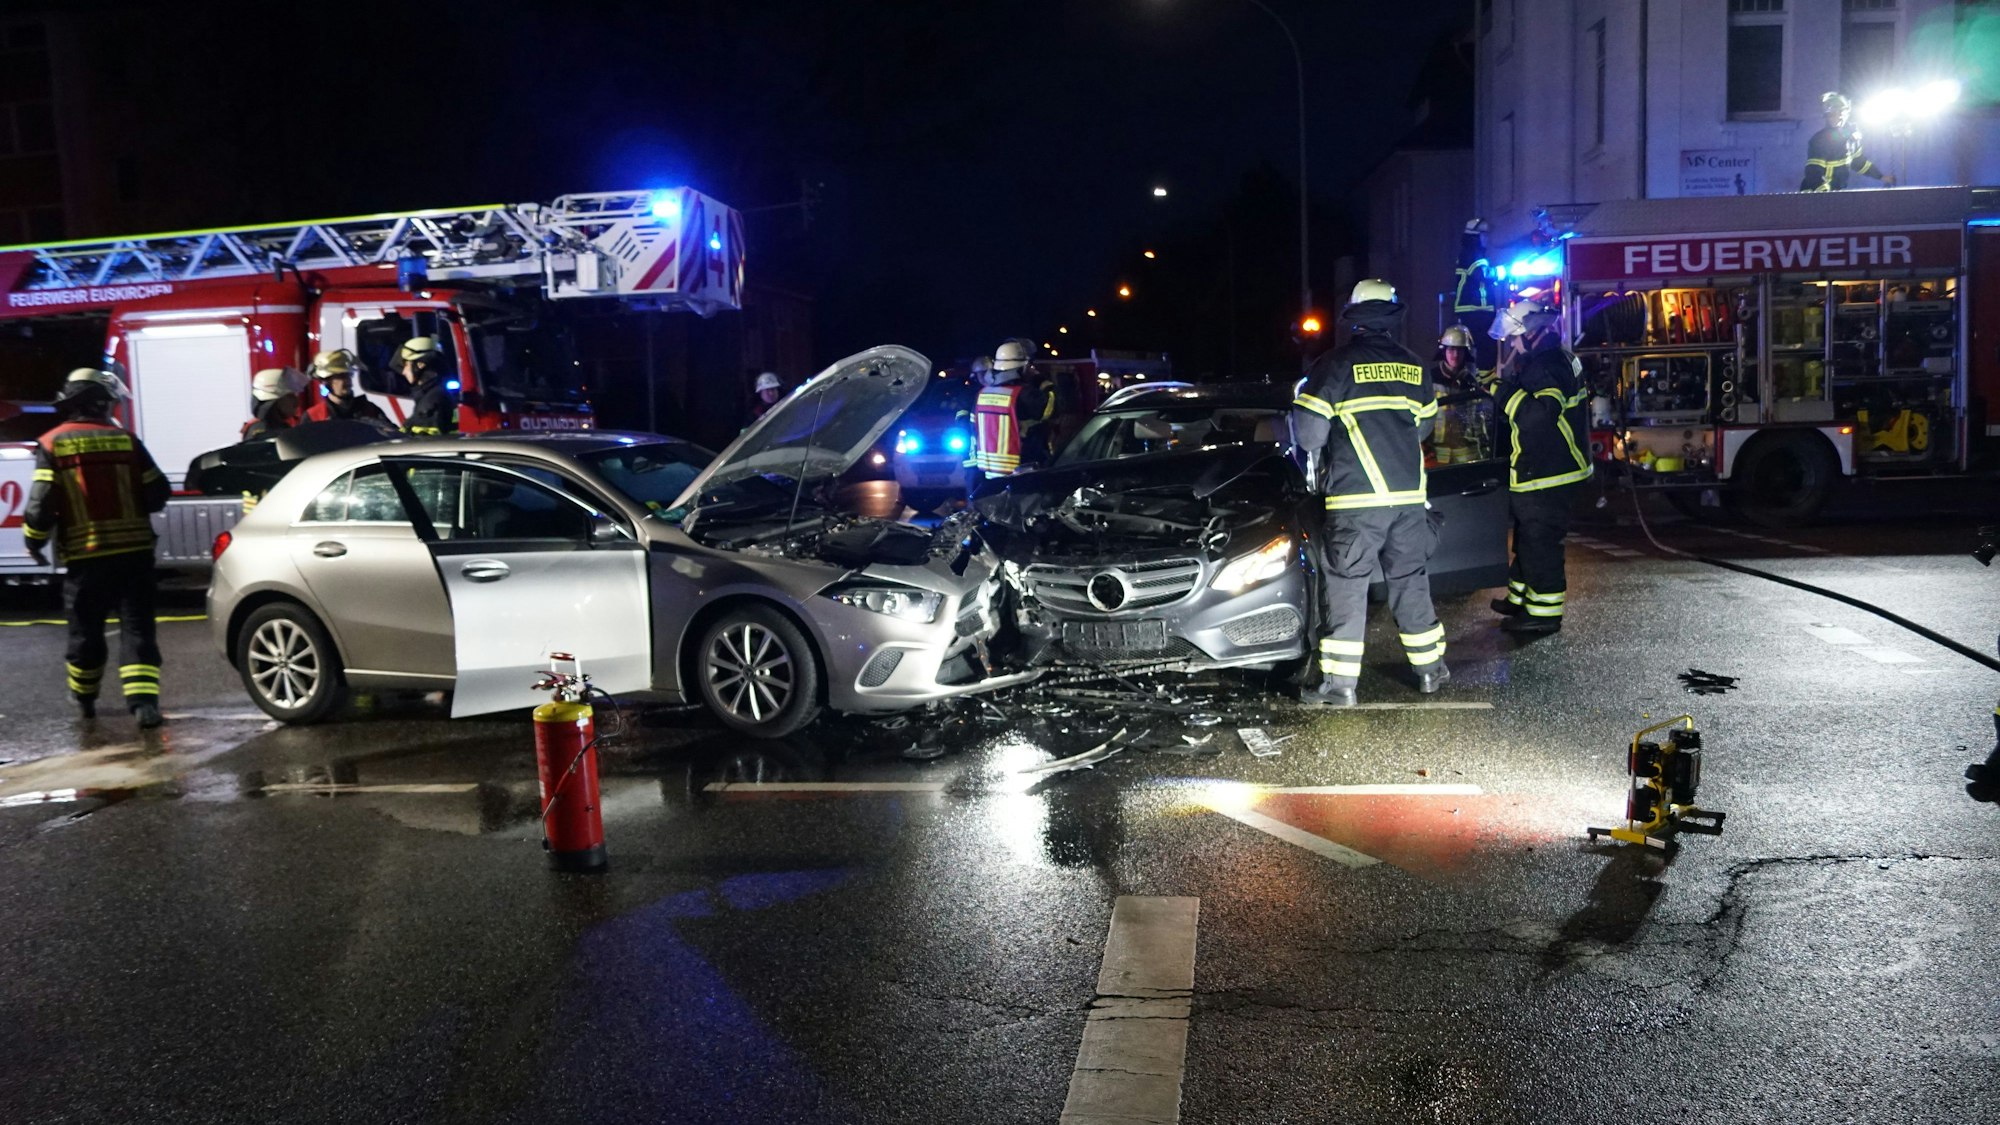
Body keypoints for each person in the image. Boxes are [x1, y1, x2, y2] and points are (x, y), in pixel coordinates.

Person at [1290, 279, 1449, 706]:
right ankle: (1431, 670)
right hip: (1409, 500)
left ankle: (1340, 686)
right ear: (1393, 317)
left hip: (1356, 502)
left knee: (1346, 585)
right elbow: (1423, 428)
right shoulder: (1416, 367)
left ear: (1354, 318)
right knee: (1410, 581)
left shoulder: (1335, 366)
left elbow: (1307, 436)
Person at [21, 367, 171, 728]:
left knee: (85, 632)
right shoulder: (128, 441)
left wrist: (34, 541)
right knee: (137, 629)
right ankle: (144, 706)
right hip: (134, 555)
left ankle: (86, 700)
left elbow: (40, 506)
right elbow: (158, 493)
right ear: (100, 402)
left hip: (86, 558)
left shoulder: (52, 443)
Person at [1488, 299, 1593, 634]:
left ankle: (1544, 615)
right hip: (1550, 469)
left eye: (1515, 338)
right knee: (1528, 538)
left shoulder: (1545, 366)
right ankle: (1521, 600)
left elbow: (1537, 416)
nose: (1512, 345)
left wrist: (1502, 393)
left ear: (1530, 334)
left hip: (1548, 472)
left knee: (1541, 543)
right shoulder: (1557, 357)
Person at [967, 340, 1053, 478]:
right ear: (1023, 368)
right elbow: (1052, 408)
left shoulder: (982, 394)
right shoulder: (1024, 394)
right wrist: (1041, 381)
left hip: (990, 473)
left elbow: (973, 428)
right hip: (1021, 470)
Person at [1801, 92, 1894, 192]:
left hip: (1835, 191)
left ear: (1845, 113)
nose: (1833, 117)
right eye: (1830, 115)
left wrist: (1881, 177)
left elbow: (1859, 163)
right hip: (1814, 193)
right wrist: (1823, 192)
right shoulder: (1820, 139)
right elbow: (1814, 170)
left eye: (1837, 112)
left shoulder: (1851, 138)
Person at [1452, 219, 1499, 383]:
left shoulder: (1471, 253)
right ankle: (1486, 383)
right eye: (1483, 234)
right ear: (1475, 236)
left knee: (1484, 348)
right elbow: (1483, 274)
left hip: (1474, 310)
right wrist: (1503, 272)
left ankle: (1482, 380)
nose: (1487, 238)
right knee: (1486, 346)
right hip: (1474, 310)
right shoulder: (1472, 254)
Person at [303, 348, 392, 426]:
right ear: (326, 381)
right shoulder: (314, 416)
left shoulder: (369, 410)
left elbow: (393, 435)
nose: (348, 381)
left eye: (348, 375)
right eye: (341, 376)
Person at [399, 336, 458, 435]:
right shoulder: (435, 394)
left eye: (406, 364)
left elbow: (420, 443)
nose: (404, 372)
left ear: (420, 365)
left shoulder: (432, 401)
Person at [242, 366, 307, 439]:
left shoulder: (283, 426)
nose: (296, 401)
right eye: (290, 396)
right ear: (274, 402)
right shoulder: (261, 432)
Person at [1432, 325, 1483, 393]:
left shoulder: (1470, 381)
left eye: (1460, 350)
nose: (1456, 354)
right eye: (1451, 349)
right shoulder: (1431, 378)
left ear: (1465, 353)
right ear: (1444, 351)